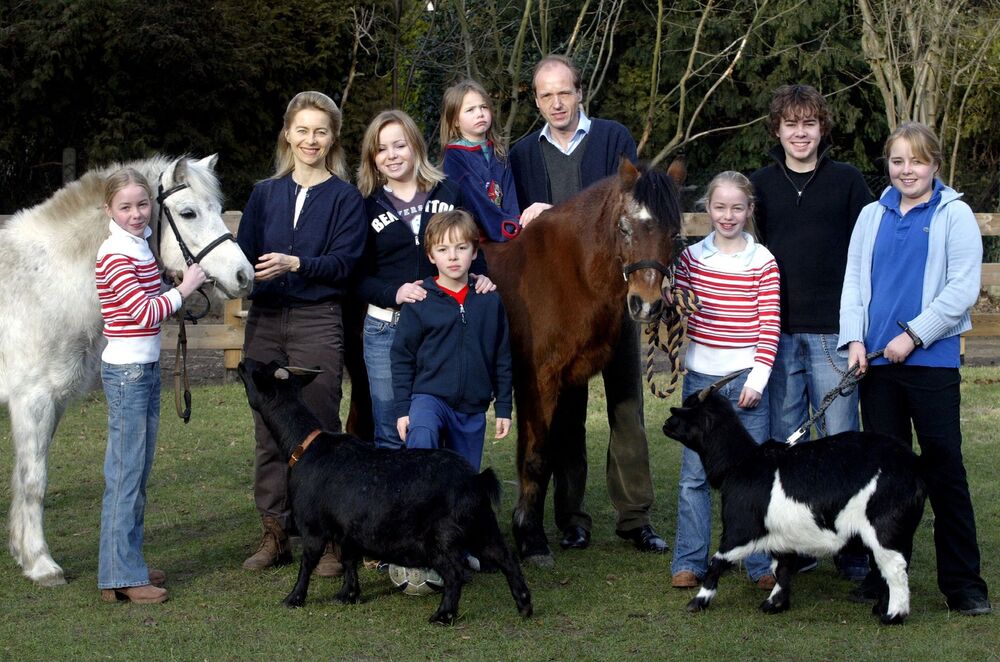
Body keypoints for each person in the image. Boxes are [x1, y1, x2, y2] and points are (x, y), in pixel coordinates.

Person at [508, 54, 667, 554]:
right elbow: (514, 227)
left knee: (625, 404)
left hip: (611, 294)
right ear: (536, 100)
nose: (557, 103)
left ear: (580, 93)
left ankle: (634, 516)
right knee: (566, 410)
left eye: (565, 92)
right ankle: (571, 516)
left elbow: (628, 206)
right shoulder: (521, 154)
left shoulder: (614, 139)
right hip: (557, 299)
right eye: (546, 95)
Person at [839, 122, 991, 616]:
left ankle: (964, 585)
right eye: (899, 161)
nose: (908, 171)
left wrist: (914, 335)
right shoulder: (870, 214)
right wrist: (856, 340)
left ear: (936, 166)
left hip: (931, 365)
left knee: (944, 471)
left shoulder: (956, 214)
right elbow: (855, 283)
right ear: (888, 165)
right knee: (886, 481)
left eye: (918, 161)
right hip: (878, 368)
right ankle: (887, 582)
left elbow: (962, 290)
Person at [237, 91, 366, 574]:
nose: (311, 140)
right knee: (268, 430)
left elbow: (345, 265)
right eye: (303, 130)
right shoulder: (263, 193)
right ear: (288, 133)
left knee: (318, 427)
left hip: (317, 319)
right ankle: (275, 531)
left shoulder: (344, 197)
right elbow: (244, 257)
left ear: (332, 138)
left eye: (321, 131)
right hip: (267, 321)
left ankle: (331, 536)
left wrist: (297, 263)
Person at [749, 84, 872, 579]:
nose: (800, 134)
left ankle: (854, 548)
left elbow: (867, 255)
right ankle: (796, 546)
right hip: (776, 335)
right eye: (791, 125)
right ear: (776, 129)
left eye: (810, 124)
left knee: (842, 442)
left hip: (833, 335)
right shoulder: (759, 185)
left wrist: (860, 327)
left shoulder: (847, 182)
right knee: (787, 444)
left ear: (822, 129)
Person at [96, 168, 207, 604]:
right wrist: (187, 289)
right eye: (125, 207)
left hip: (141, 371)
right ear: (109, 210)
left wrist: (174, 285)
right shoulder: (115, 254)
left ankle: (124, 563)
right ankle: (119, 573)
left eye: (142, 204)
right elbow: (143, 313)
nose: (136, 213)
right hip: (127, 374)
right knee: (124, 475)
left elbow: (152, 291)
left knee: (135, 474)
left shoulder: (138, 247)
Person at [356, 109, 493, 451]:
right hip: (386, 330)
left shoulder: (449, 192)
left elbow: (473, 247)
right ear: (372, 158)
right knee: (391, 432)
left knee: (440, 427)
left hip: (441, 330)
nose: (392, 155)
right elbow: (355, 276)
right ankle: (396, 506)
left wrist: (484, 278)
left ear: (415, 146)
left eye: (399, 145)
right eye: (382, 149)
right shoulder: (363, 204)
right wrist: (394, 292)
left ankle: (442, 505)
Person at [670, 171, 781, 590]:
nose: (728, 216)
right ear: (708, 210)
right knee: (694, 476)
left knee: (753, 475)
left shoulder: (762, 261)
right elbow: (678, 310)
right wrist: (667, 302)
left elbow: (769, 325)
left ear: (750, 210)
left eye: (737, 207)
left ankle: (758, 564)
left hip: (746, 379)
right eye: (719, 207)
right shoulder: (691, 260)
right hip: (702, 382)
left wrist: (759, 378)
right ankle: (689, 560)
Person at [392, 209, 512, 470]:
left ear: (475, 252)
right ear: (431, 255)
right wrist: (403, 409)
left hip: (472, 406)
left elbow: (502, 357)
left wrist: (503, 407)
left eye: (461, 248)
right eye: (443, 249)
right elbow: (402, 357)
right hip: (429, 398)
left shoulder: (489, 300)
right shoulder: (420, 300)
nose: (453, 256)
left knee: (464, 482)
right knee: (422, 438)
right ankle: (417, 508)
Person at [439, 79, 521, 242]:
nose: (480, 113)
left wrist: (514, 222)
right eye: (470, 110)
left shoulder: (498, 151)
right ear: (455, 121)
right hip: (475, 238)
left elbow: (510, 193)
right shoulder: (455, 156)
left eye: (483, 107)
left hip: (508, 230)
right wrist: (503, 227)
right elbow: (475, 200)